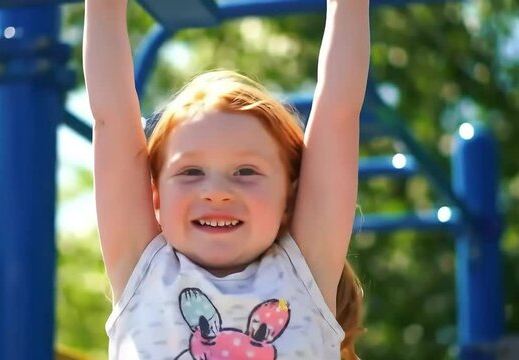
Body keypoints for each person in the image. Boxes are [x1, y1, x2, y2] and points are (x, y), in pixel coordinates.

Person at [84, 0, 369, 358]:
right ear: (155, 195)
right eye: (191, 172)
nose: (217, 192)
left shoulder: (304, 273)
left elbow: (339, 114)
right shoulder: (143, 269)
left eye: (245, 172)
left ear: (289, 198)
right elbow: (110, 116)